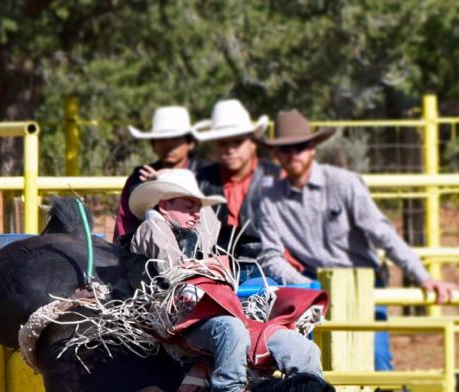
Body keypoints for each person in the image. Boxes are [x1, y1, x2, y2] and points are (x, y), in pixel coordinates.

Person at [129, 168, 323, 392]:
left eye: (198, 206)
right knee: (231, 330)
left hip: (223, 309)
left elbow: (209, 238)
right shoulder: (152, 230)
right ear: (164, 205)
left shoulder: (198, 233)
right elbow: (171, 275)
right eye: (187, 205)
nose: (196, 212)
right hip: (180, 321)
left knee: (295, 344)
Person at [258, 108, 456, 316]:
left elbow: (381, 232)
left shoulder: (344, 183)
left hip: (362, 280)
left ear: (312, 148)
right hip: (314, 286)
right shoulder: (269, 200)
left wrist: (423, 277)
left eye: (299, 147)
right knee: (315, 348)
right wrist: (311, 287)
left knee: (375, 349)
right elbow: (272, 256)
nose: (292, 155)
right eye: (285, 149)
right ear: (276, 154)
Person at [194, 99, 279, 275]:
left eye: (237, 142)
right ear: (214, 147)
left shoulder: (277, 177)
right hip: (216, 268)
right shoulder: (200, 180)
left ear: (253, 143)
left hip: (271, 264)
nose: (230, 150)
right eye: (222, 143)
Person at [113, 106, 206, 245]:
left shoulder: (206, 175)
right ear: (153, 144)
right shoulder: (139, 178)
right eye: (161, 139)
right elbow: (125, 223)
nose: (168, 145)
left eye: (175, 139)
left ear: (190, 143)